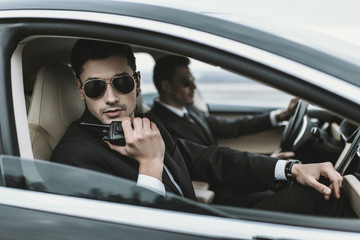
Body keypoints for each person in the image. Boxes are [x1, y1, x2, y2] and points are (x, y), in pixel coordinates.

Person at [50, 39, 356, 217]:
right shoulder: (72, 156)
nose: (111, 97)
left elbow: (209, 159)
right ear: (79, 90)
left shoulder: (147, 124)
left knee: (323, 192)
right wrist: (150, 164)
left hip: (202, 220)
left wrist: (291, 169)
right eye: (95, 88)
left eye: (121, 82)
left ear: (138, 83)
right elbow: (131, 232)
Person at [151, 55, 297, 159]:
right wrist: (267, 163)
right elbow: (207, 161)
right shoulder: (159, 125)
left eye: (193, 80)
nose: (194, 87)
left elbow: (232, 126)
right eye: (187, 82)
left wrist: (279, 116)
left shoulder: (190, 110)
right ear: (167, 86)